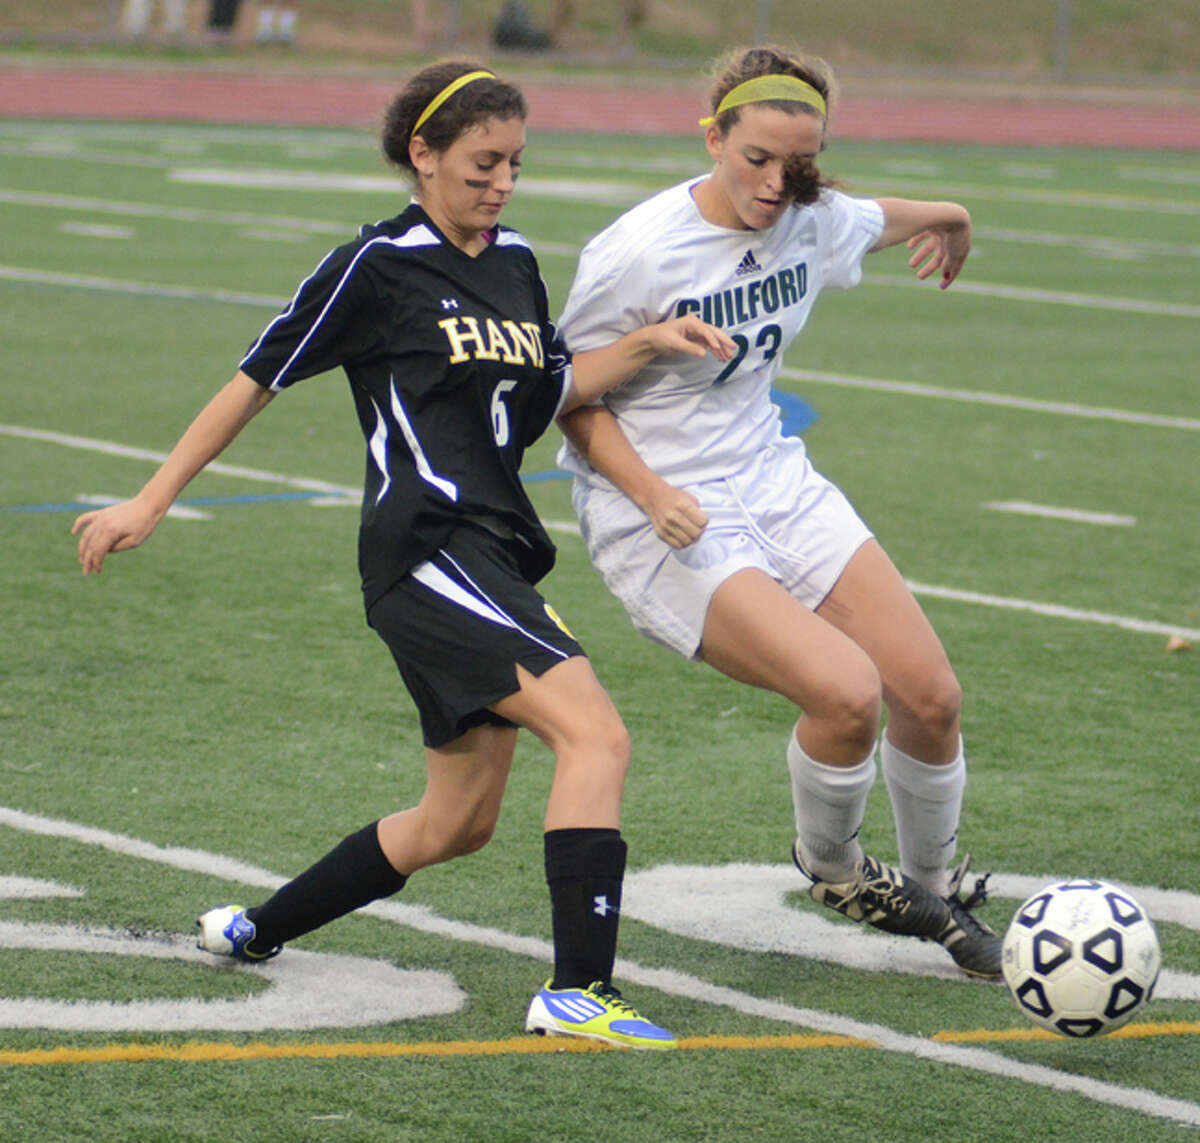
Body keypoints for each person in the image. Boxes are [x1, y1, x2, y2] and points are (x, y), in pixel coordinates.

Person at [72, 60, 733, 1049]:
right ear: (420, 156)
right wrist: (151, 499)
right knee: (596, 736)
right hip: (424, 547)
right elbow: (254, 380)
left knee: (455, 823)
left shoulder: (514, 264)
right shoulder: (374, 268)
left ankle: (255, 929)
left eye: (515, 162)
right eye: (481, 164)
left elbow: (545, 392)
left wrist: (647, 345)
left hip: (495, 549)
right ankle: (578, 992)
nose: (502, 182)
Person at [555, 45, 1003, 978]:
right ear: (713, 136)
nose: (774, 181)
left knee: (931, 696)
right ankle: (833, 865)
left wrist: (955, 219)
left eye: (796, 164)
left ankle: (936, 889)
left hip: (773, 478)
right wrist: (650, 493)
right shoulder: (638, 251)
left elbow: (885, 216)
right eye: (754, 157)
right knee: (846, 694)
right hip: (660, 508)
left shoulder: (813, 216)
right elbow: (566, 397)